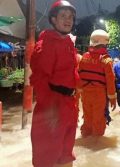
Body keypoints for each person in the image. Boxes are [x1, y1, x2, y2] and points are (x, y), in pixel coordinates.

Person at [30, 1, 79, 167]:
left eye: (71, 17)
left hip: (68, 105)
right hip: (53, 107)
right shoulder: (46, 45)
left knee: (66, 153)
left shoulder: (67, 43)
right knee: (48, 155)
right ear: (53, 19)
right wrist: (50, 109)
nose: (68, 20)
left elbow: (72, 75)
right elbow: (39, 79)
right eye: (63, 16)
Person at [78, 29, 116, 137]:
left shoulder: (84, 57)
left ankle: (86, 137)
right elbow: (110, 80)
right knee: (98, 120)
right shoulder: (106, 60)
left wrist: (79, 92)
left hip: (85, 94)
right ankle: (96, 143)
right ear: (104, 43)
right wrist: (112, 97)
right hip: (99, 94)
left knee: (87, 117)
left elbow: (79, 75)